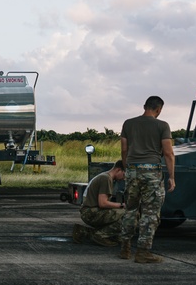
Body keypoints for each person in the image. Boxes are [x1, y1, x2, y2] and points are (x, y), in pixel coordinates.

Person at [119, 95, 176, 264]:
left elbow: (124, 149)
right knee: (150, 213)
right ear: (159, 109)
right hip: (151, 172)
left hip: (132, 170)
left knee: (130, 210)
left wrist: (128, 167)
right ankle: (143, 251)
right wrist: (172, 176)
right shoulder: (162, 125)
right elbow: (168, 153)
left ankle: (125, 248)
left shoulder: (128, 123)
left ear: (144, 106)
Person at [73, 160, 127, 247]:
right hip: (91, 212)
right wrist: (121, 205)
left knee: (117, 214)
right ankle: (100, 236)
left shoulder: (104, 176)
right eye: (124, 174)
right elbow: (103, 203)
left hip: (89, 211)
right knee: (127, 215)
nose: (124, 178)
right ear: (118, 170)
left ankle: (83, 231)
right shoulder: (106, 179)